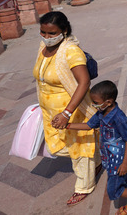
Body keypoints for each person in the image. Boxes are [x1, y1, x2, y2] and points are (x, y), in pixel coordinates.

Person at [34, 11, 101, 206]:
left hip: (71, 109)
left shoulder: (70, 51)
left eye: (51, 33)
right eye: (43, 33)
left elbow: (84, 82)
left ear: (64, 31)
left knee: (77, 147)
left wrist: (66, 113)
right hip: (48, 110)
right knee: (57, 146)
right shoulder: (42, 47)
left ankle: (84, 186)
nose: (46, 38)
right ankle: (95, 161)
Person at [65, 80, 127, 215]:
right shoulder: (101, 113)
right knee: (125, 182)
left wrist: (124, 163)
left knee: (114, 190)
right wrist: (68, 125)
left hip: (118, 161)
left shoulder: (119, 119)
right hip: (109, 158)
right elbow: (89, 125)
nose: (93, 105)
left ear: (109, 102)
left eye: (95, 102)